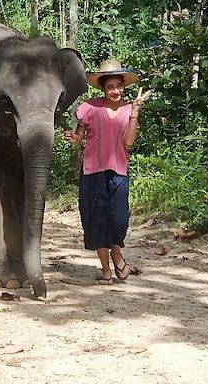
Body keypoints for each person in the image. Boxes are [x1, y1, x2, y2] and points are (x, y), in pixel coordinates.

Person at [64, 59, 149, 284]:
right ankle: (106, 270)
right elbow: (79, 136)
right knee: (97, 221)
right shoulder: (89, 108)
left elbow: (129, 142)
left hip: (119, 172)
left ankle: (117, 253)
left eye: (119, 86)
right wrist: (75, 138)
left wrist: (135, 112)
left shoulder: (129, 109)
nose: (115, 91)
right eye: (110, 87)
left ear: (124, 87)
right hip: (93, 171)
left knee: (119, 219)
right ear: (103, 88)